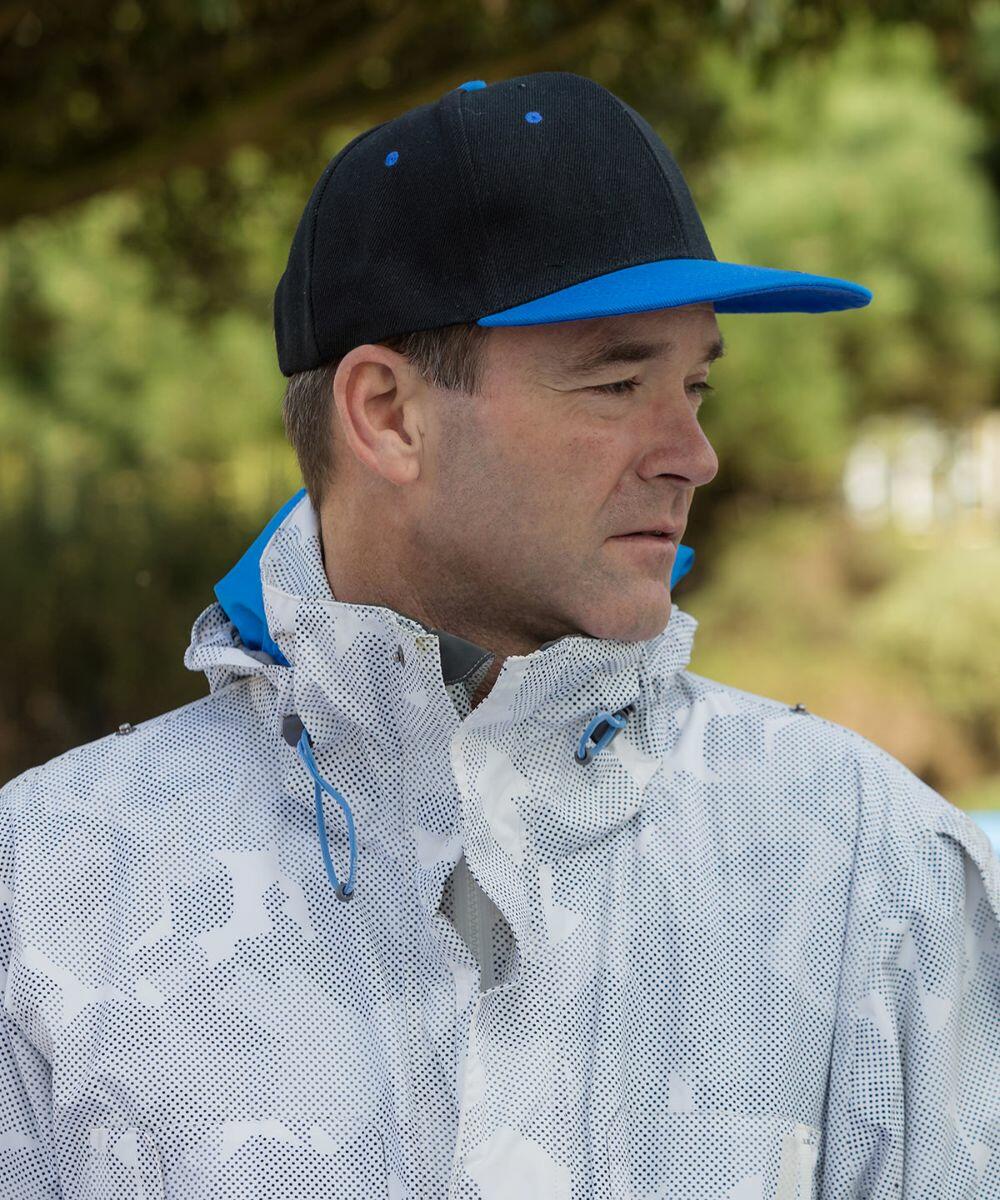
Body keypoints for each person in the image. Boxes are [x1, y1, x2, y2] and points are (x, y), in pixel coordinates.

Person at [1, 72, 996, 1200]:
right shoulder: (47, 887)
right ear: (387, 415)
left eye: (695, 386)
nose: (694, 455)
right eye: (617, 383)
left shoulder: (872, 865)